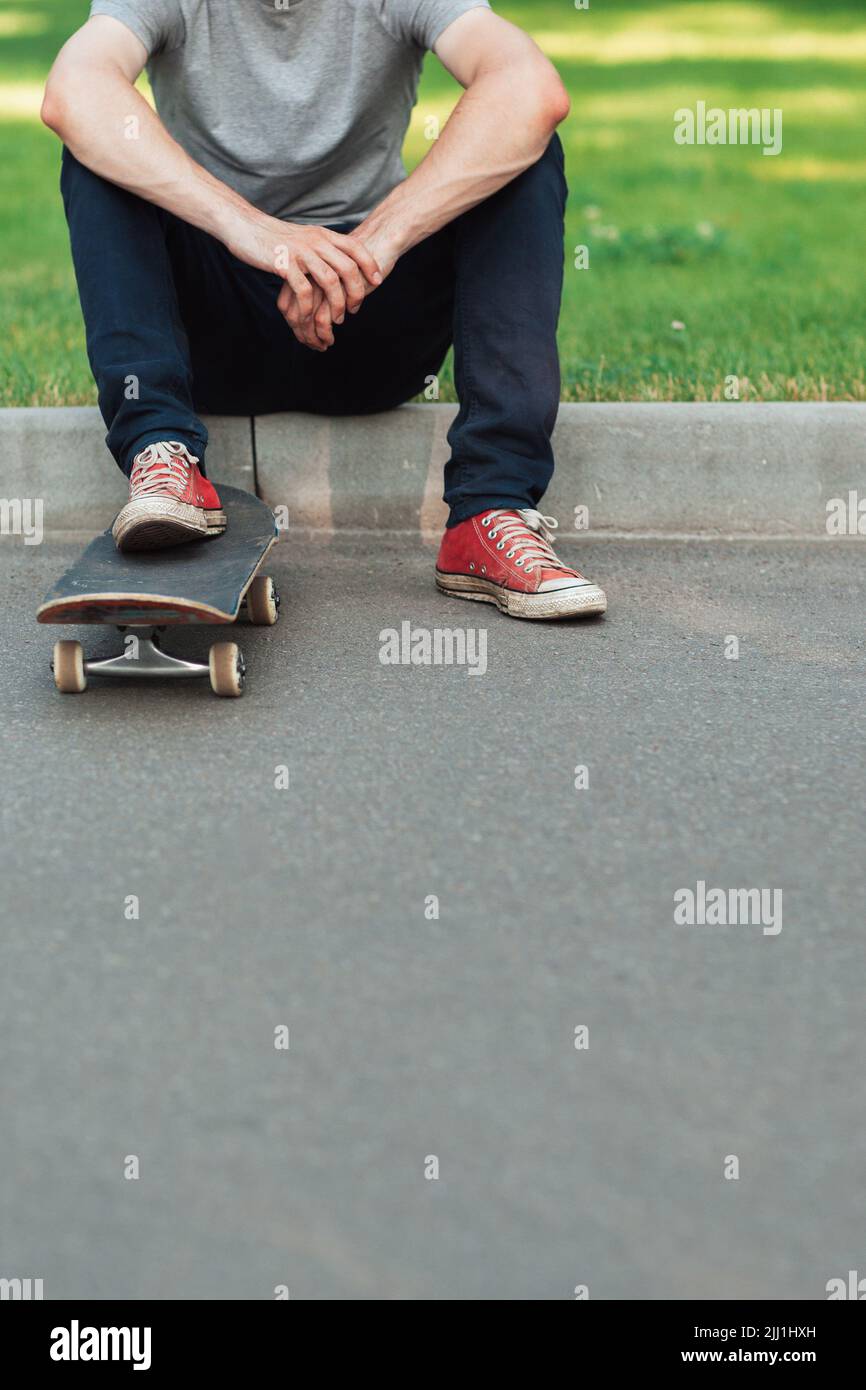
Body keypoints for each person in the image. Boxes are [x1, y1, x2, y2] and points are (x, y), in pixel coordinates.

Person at [42, 0, 606, 620]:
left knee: (521, 150)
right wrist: (256, 232)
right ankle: (164, 456)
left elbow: (530, 87)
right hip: (209, 333)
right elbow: (74, 90)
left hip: (369, 321)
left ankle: (490, 508)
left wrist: (372, 246)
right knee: (98, 151)